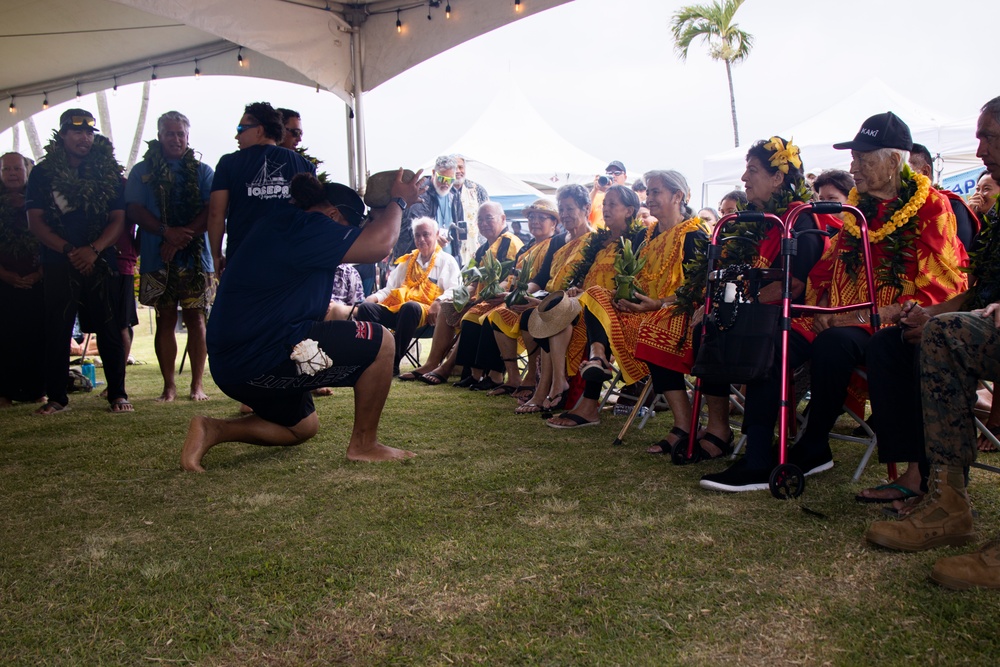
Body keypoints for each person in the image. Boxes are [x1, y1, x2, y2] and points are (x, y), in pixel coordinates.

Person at [180, 169, 425, 472]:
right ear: (333, 215)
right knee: (382, 341)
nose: (347, 241)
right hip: (262, 354)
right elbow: (378, 245)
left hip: (233, 366)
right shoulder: (310, 226)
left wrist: (380, 209)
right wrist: (399, 201)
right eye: (349, 230)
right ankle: (365, 445)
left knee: (302, 427)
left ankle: (213, 430)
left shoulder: (281, 223)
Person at [794, 112, 968, 501]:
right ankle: (774, 434)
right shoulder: (857, 211)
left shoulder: (931, 208)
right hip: (849, 317)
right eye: (852, 158)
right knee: (789, 331)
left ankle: (815, 442)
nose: (852, 167)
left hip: (899, 322)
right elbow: (828, 268)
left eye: (862, 158)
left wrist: (849, 316)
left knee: (838, 343)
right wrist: (822, 307)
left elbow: (936, 290)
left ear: (893, 161)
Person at [692, 138, 830, 487]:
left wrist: (739, 308)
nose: (744, 178)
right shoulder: (761, 221)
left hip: (801, 320)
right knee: (709, 329)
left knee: (763, 345)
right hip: (762, 315)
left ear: (778, 178)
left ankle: (757, 459)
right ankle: (719, 430)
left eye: (752, 170)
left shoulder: (802, 220)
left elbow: (793, 287)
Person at [550, 171, 708, 430]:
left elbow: (699, 289)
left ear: (678, 196)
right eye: (649, 191)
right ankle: (598, 357)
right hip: (641, 308)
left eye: (656, 192)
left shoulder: (693, 234)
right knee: (596, 295)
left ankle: (685, 426)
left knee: (651, 330)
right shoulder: (648, 235)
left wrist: (657, 304)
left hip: (673, 311)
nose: (650, 197)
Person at [26, 108, 132, 414]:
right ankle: (57, 397)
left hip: (101, 259)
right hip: (60, 260)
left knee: (110, 329)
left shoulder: (107, 172)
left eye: (88, 132)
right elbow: (35, 222)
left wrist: (94, 249)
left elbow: (118, 219)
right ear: (62, 136)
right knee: (57, 329)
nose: (83, 138)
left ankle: (118, 394)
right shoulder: (43, 173)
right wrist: (71, 250)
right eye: (76, 132)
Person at [126, 110, 215, 402]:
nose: (176, 139)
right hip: (156, 256)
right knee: (164, 317)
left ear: (188, 136)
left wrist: (179, 237)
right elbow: (135, 209)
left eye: (181, 134)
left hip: (196, 258)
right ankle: (169, 386)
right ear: (159, 135)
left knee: (196, 318)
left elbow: (211, 210)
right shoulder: (142, 170)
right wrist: (166, 232)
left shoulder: (202, 170)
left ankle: (197, 385)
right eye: (170, 133)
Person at [542, 185, 648, 428]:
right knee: (560, 310)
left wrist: (598, 294)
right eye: (605, 204)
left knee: (594, 298)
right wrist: (576, 289)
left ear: (630, 210)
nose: (606, 209)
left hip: (620, 307)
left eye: (612, 204)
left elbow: (638, 281)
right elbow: (583, 276)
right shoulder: (598, 240)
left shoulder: (640, 237)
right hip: (588, 304)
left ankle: (594, 368)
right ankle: (563, 387)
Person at [408, 201, 522, 385]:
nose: (484, 223)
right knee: (448, 306)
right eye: (480, 220)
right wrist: (464, 296)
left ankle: (447, 367)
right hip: (482, 298)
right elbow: (473, 281)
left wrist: (481, 297)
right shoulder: (483, 248)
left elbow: (509, 279)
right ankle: (432, 363)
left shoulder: (509, 242)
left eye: (489, 219)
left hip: (499, 299)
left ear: (503, 219)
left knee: (473, 312)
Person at [503, 184, 593, 414]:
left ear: (586, 208)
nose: (565, 214)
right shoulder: (558, 240)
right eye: (561, 209)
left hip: (576, 300)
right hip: (548, 297)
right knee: (531, 313)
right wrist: (525, 292)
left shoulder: (595, 240)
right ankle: (543, 386)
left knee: (550, 310)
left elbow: (587, 280)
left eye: (570, 209)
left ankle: (547, 388)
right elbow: (542, 277)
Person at [452, 198, 558, 393]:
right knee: (471, 316)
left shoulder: (554, 245)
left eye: (541, 218)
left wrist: (513, 294)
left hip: (533, 298)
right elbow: (512, 276)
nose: (535, 221)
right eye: (532, 217)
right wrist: (500, 291)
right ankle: (474, 373)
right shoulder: (527, 247)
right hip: (512, 293)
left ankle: (500, 375)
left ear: (554, 223)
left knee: (493, 316)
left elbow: (543, 279)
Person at [207, 101, 316, 273]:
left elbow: (215, 213)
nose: (237, 136)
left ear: (259, 130)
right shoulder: (304, 165)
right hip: (290, 260)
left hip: (243, 258)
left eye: (241, 129)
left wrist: (216, 255)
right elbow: (312, 214)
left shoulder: (228, 163)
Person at [354, 216, 461, 376]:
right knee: (366, 309)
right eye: (417, 235)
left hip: (427, 316)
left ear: (437, 234)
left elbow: (455, 290)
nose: (421, 239)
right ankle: (369, 359)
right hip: (399, 311)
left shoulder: (447, 261)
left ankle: (392, 363)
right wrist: (373, 298)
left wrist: (438, 301)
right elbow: (390, 289)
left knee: (410, 307)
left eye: (426, 234)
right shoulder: (408, 260)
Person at [0, 151, 44, 407]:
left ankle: (37, 390)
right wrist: (5, 274)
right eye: (7, 170)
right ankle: (3, 392)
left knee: (37, 336)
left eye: (17, 169)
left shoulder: (39, 200)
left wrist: (40, 273)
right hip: (4, 281)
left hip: (38, 279)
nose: (13, 174)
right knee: (5, 337)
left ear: (27, 171)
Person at [395, 155, 464, 262]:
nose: (446, 183)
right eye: (442, 178)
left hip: (447, 260)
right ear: (433, 173)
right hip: (421, 260)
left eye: (450, 180)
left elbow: (459, 227)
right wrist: (433, 239)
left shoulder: (454, 194)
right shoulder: (421, 193)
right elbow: (413, 230)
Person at [910, 142, 978, 249]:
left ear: (925, 171)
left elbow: (962, 254)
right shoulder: (900, 209)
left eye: (906, 170)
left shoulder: (952, 205)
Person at [453, 155, 489, 261]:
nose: (458, 171)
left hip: (476, 247)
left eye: (460, 167)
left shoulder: (477, 190)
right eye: (454, 168)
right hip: (452, 249)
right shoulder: (443, 190)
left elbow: (489, 217)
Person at [589, 161, 627, 228]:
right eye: (609, 173)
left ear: (625, 177)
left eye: (617, 173)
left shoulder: (630, 195)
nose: (613, 176)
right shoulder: (597, 197)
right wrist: (595, 189)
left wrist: (610, 191)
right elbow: (583, 210)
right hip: (596, 235)